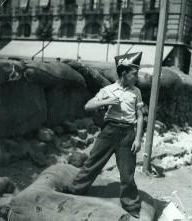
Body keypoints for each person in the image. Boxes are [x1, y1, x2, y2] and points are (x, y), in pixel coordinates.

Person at [64, 52, 144, 218]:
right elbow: (88, 106)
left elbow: (141, 116)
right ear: (124, 74)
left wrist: (138, 138)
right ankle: (75, 190)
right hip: (109, 132)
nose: (137, 77)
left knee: (127, 172)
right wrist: (106, 101)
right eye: (134, 74)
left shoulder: (136, 91)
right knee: (92, 163)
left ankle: (131, 205)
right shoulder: (108, 90)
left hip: (128, 134)